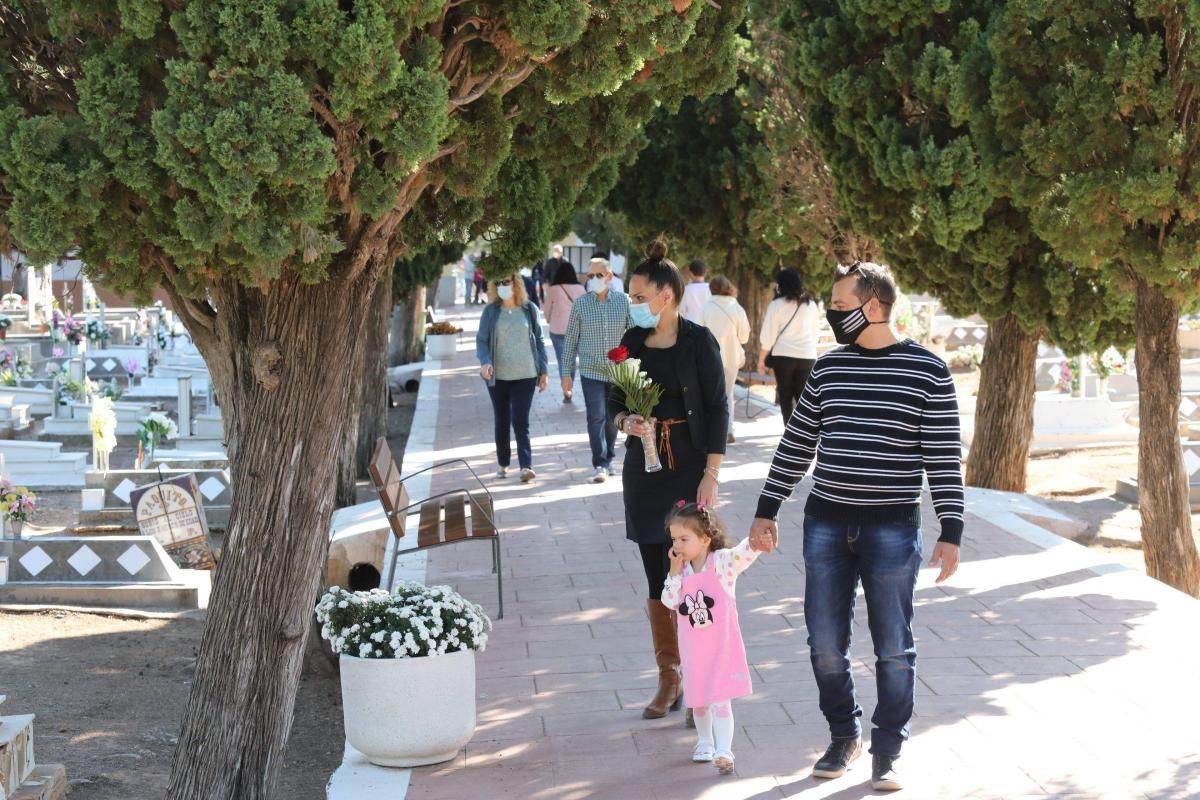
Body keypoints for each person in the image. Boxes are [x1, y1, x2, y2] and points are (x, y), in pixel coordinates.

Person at [748, 261, 964, 793]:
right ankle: (843, 734)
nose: (833, 314)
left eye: (840, 306)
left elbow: (942, 458)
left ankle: (887, 749)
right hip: (825, 523)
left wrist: (951, 530)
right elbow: (797, 443)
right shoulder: (828, 368)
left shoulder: (929, 371)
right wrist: (766, 507)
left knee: (893, 645)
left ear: (872, 307)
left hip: (891, 530)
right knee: (824, 642)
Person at [610, 240, 728, 722]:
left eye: (639, 296)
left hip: (689, 465)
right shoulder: (630, 344)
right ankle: (670, 676)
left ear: (666, 295)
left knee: (695, 575)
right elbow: (611, 402)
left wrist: (712, 474)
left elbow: (719, 407)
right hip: (646, 468)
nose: (633, 305)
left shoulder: (699, 341)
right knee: (658, 575)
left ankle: (702, 675)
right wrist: (625, 423)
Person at [662, 501, 767, 774]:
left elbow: (740, 555)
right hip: (694, 649)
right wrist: (673, 572)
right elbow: (669, 600)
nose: (678, 545)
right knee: (698, 699)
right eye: (675, 539)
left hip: (721, 646)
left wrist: (755, 542)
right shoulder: (681, 572)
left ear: (705, 539)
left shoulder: (719, 563)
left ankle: (724, 749)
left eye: (685, 539)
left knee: (720, 698)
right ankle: (704, 741)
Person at [561, 258, 631, 482]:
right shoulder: (581, 304)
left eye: (598, 276)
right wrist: (566, 373)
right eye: (590, 276)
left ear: (610, 277)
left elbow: (633, 334)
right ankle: (599, 463)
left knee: (612, 418)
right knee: (596, 415)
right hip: (591, 371)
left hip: (617, 372)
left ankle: (609, 457)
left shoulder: (624, 302)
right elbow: (570, 340)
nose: (593, 280)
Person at [476, 273, 549, 482]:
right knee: (502, 420)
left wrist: (543, 371)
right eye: (498, 282)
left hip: (525, 374)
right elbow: (481, 341)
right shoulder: (491, 312)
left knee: (520, 420)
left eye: (505, 282)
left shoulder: (529, 310)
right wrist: (485, 362)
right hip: (497, 376)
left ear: (515, 284)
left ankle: (526, 466)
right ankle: (503, 462)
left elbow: (541, 342)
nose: (502, 286)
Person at [757, 268, 820, 423]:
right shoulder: (811, 305)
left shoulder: (776, 304)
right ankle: (807, 434)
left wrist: (761, 360)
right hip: (807, 356)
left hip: (783, 356)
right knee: (804, 398)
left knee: (785, 396)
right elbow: (815, 333)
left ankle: (789, 433)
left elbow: (768, 335)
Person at [697, 276, 750, 443]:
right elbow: (744, 337)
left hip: (709, 358)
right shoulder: (737, 308)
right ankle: (728, 430)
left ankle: (709, 430)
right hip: (731, 358)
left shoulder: (706, 307)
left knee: (707, 394)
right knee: (727, 394)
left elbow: (697, 334)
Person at [542, 261, 586, 403]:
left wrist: (549, 319)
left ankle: (567, 390)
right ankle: (569, 385)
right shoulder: (580, 289)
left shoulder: (553, 289)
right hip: (578, 330)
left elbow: (547, 310)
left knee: (563, 361)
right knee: (573, 361)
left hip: (558, 330)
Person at [679, 258, 712, 322]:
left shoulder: (687, 290)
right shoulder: (711, 288)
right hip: (708, 325)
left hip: (691, 326)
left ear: (690, 273)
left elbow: (681, 311)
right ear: (705, 272)